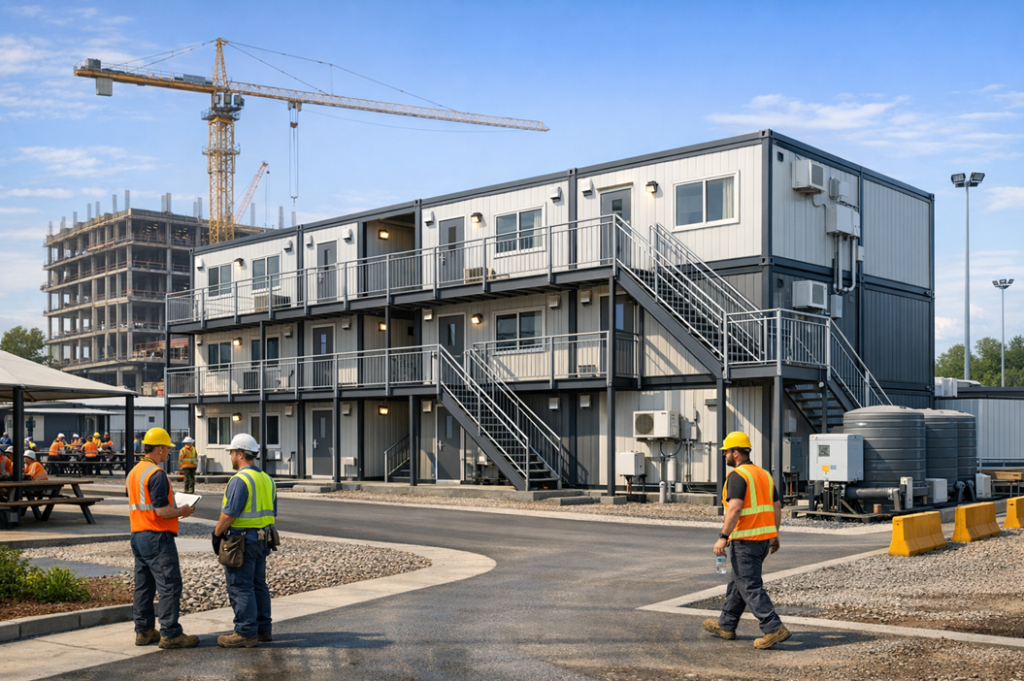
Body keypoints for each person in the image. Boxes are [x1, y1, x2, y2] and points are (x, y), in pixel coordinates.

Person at [703, 431, 790, 650]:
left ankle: (773, 627)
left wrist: (723, 537)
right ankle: (726, 624)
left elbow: (734, 508)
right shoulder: (764, 475)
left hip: (745, 540)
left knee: (749, 585)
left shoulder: (737, 476)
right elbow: (776, 507)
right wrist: (774, 534)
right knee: (738, 583)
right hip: (762, 541)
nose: (724, 456)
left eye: (726, 452)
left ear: (735, 453)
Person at [126, 427, 199, 650]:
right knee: (169, 584)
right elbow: (162, 511)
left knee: (144, 586)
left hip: (138, 535)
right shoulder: (156, 474)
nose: (168, 452)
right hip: (156, 535)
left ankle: (144, 630)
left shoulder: (134, 472)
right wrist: (182, 511)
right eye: (167, 448)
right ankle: (170, 633)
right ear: (159, 449)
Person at [212, 433, 277, 648]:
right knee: (258, 584)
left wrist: (217, 533)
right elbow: (272, 511)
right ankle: (263, 629)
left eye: (232, 452)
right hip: (262, 539)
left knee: (240, 585)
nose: (230, 456)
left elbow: (229, 514)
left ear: (240, 454)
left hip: (242, 541)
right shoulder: (267, 479)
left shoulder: (240, 480)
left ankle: (246, 632)